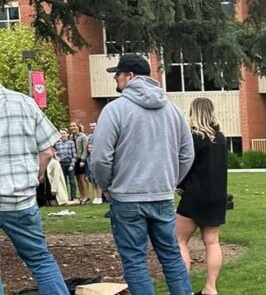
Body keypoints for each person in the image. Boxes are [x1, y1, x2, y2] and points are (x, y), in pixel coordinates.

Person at [91, 54, 195, 295]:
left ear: (130, 76)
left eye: (117, 74)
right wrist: (171, 180)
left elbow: (100, 158)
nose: (115, 80)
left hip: (127, 198)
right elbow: (187, 154)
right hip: (162, 197)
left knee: (135, 261)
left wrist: (106, 184)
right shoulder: (173, 111)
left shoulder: (114, 110)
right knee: (171, 256)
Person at [0, 81, 71, 295]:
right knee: (40, 259)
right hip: (20, 198)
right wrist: (36, 177)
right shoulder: (24, 103)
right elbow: (47, 152)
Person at [176, 98, 229, 295]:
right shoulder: (221, 138)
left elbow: (186, 166)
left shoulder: (193, 138)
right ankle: (210, 287)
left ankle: (183, 289)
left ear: (194, 113)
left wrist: (180, 185)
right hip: (216, 197)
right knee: (212, 242)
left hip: (195, 196)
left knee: (179, 240)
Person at [54, 128, 77, 201]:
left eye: (64, 133)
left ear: (67, 134)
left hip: (69, 163)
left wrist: (72, 165)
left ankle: (73, 197)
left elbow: (74, 155)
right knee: (63, 182)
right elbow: (56, 154)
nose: (62, 135)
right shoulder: (57, 144)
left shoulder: (71, 143)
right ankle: (65, 197)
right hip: (61, 164)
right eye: (61, 133)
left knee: (72, 181)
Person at [71, 123, 90, 204]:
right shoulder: (71, 137)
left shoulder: (83, 136)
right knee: (78, 178)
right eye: (71, 126)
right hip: (74, 160)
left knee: (82, 178)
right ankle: (81, 196)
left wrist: (83, 160)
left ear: (78, 127)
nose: (73, 128)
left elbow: (85, 149)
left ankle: (86, 196)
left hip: (81, 159)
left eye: (74, 126)